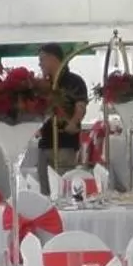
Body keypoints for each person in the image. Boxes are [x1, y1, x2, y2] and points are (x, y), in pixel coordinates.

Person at [39, 42, 88, 174]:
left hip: (64, 144)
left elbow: (80, 105)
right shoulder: (43, 84)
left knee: (62, 183)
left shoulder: (74, 81)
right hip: (45, 143)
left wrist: (73, 123)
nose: (40, 64)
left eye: (42, 59)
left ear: (53, 58)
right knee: (44, 187)